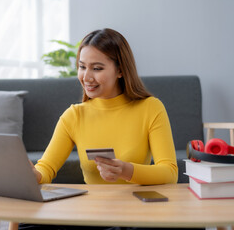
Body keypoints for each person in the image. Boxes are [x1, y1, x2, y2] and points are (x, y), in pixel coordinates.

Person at [21, 28, 179, 230]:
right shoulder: (74, 115)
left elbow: (169, 172)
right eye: (82, 67)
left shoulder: (150, 107)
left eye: (97, 68)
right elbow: (47, 167)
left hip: (137, 213)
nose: (86, 77)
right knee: (26, 226)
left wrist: (126, 170)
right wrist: (33, 175)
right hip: (92, 215)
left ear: (120, 70)